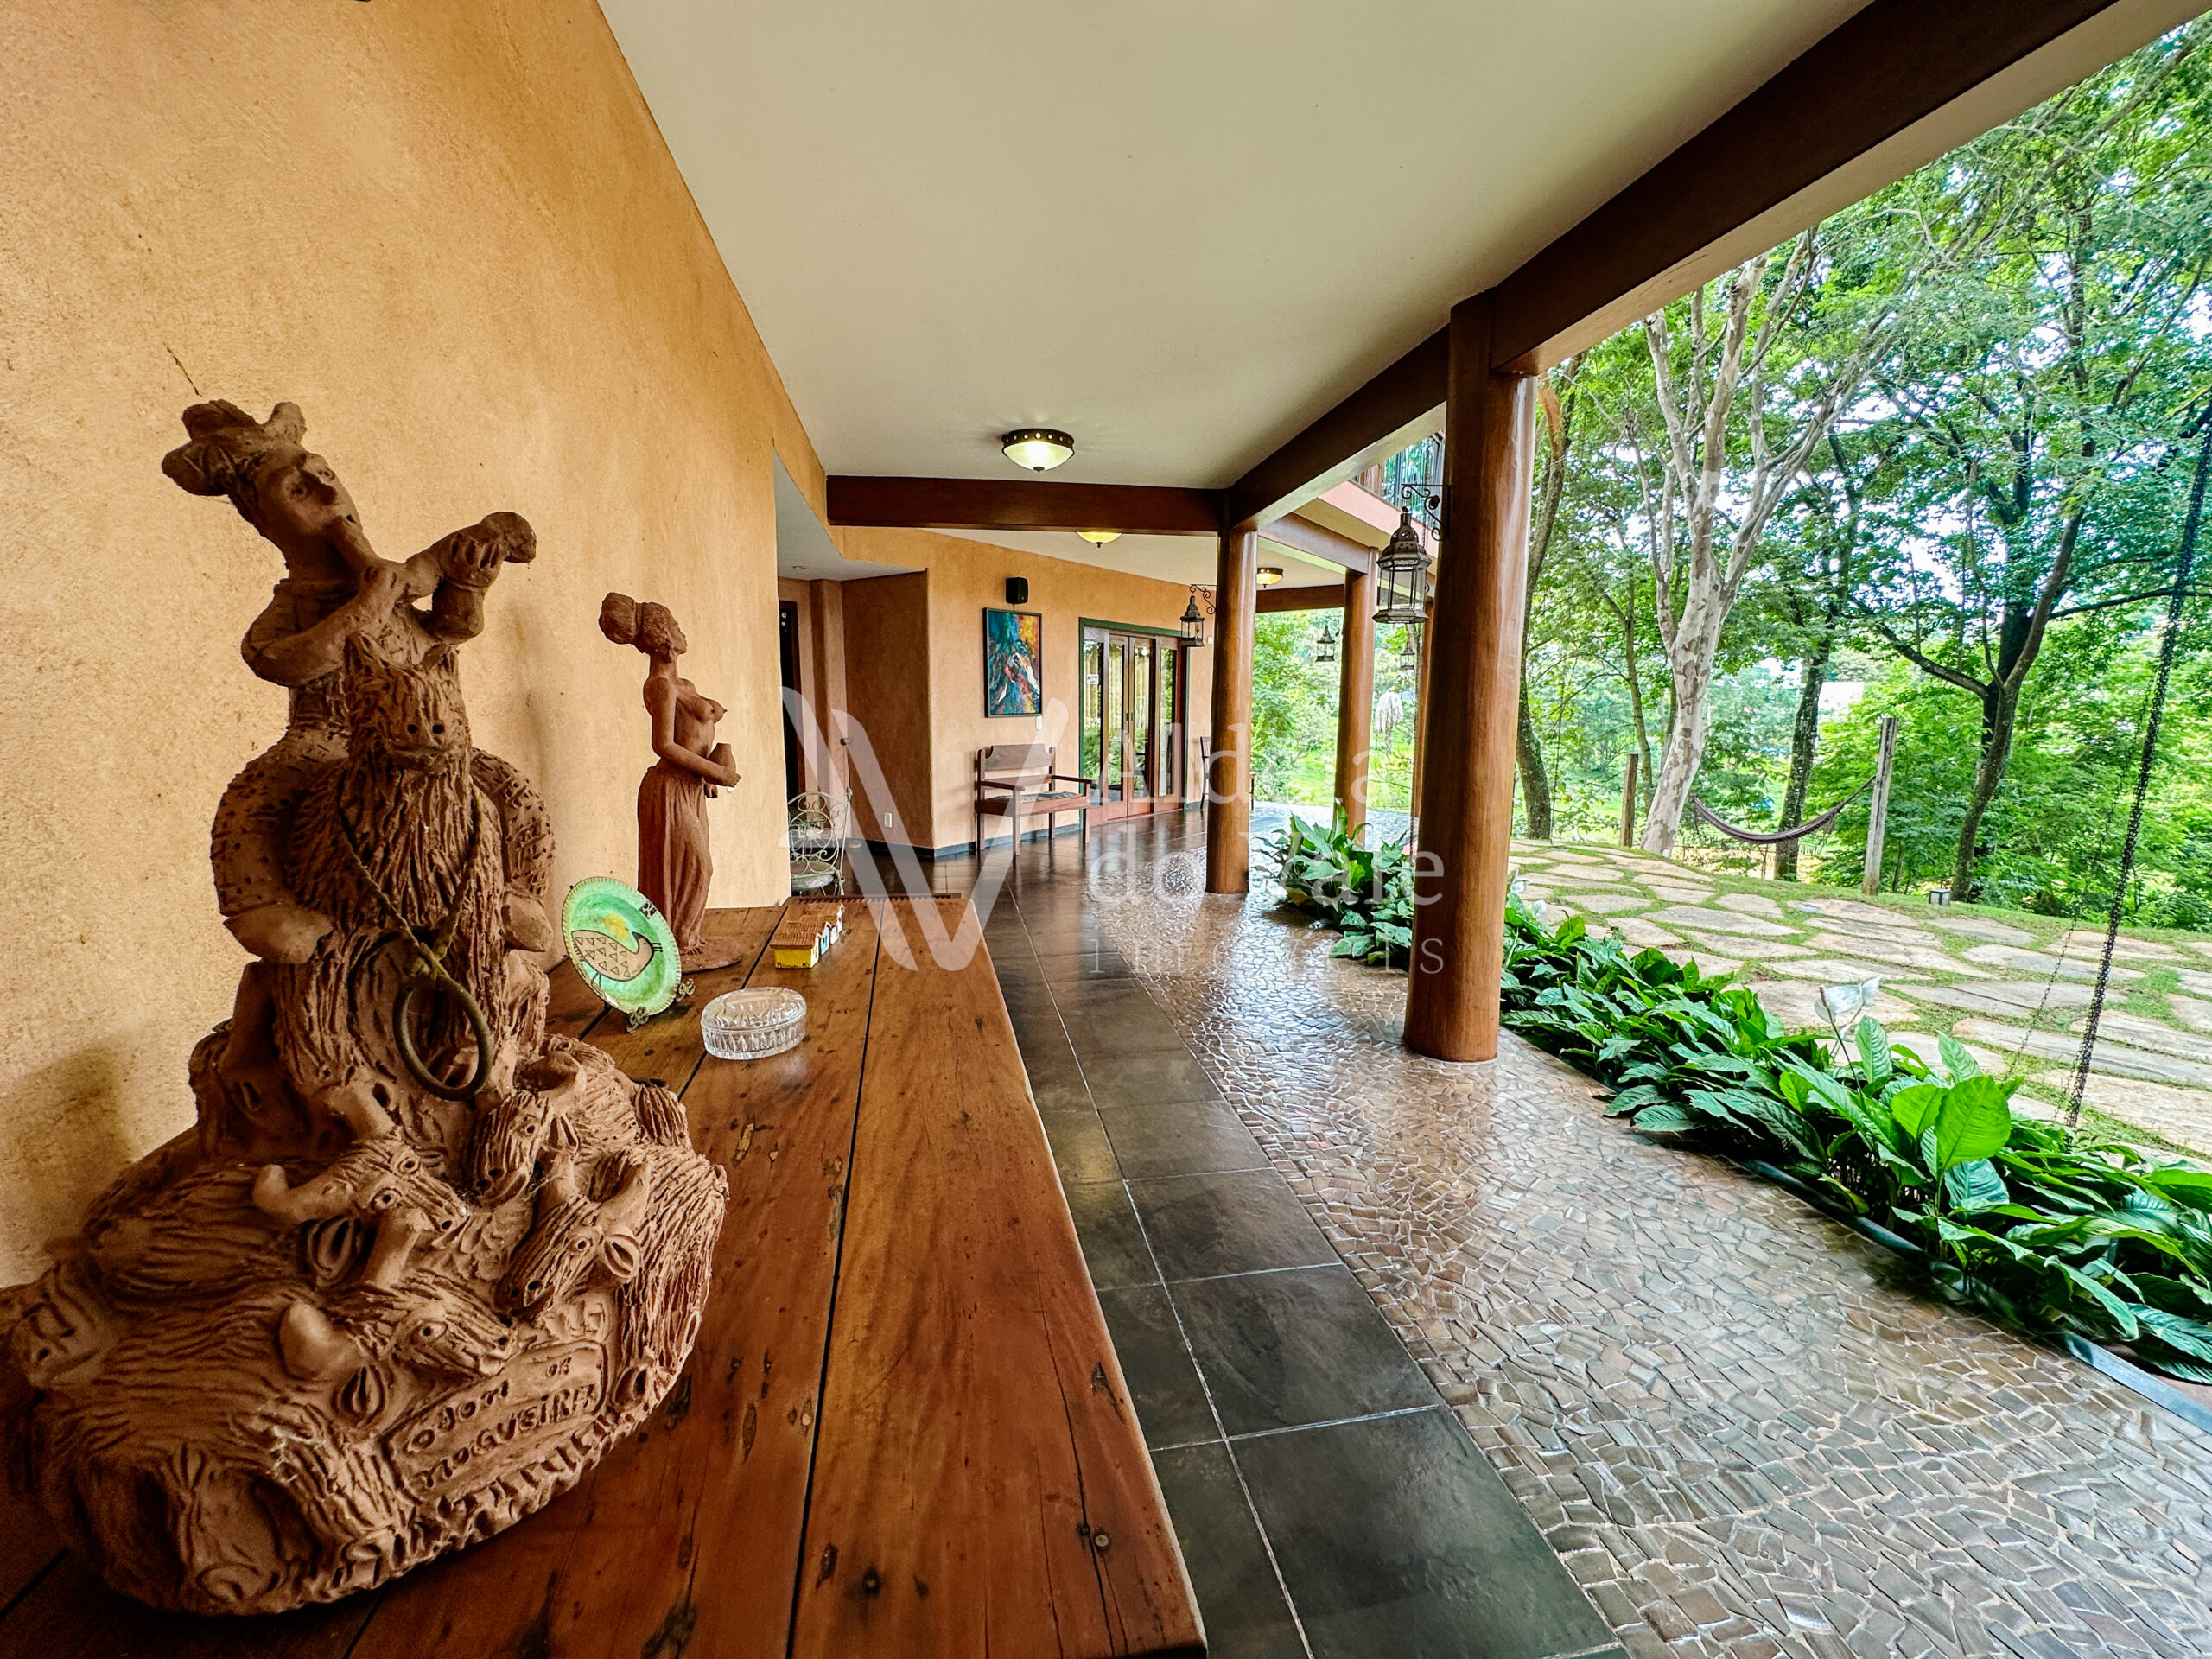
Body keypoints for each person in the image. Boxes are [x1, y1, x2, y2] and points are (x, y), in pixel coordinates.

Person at [600, 593, 740, 963]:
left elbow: (692, 736)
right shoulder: (660, 687)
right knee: (697, 865)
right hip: (669, 788)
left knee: (691, 866)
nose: (682, 631)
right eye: (676, 626)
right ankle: (676, 942)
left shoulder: (685, 685)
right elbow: (663, 744)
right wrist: (717, 771)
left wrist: (709, 774)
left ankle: (686, 936)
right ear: (664, 637)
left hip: (691, 788)